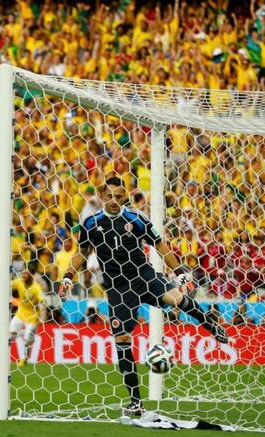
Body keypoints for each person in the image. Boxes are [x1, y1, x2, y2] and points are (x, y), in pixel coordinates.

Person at [60, 177, 228, 416]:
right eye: (110, 196)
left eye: (119, 196)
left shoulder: (136, 219)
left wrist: (179, 272)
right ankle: (136, 402)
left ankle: (209, 324)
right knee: (121, 340)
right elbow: (82, 253)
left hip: (143, 275)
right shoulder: (90, 222)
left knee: (177, 299)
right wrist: (68, 276)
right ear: (102, 196)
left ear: (125, 196)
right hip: (117, 287)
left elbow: (160, 245)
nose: (114, 201)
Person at [10, 270, 45, 368]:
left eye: (26, 274)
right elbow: (8, 284)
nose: (23, 276)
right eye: (23, 274)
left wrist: (42, 301)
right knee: (11, 333)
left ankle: (23, 358)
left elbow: (41, 297)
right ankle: (24, 335)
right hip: (21, 313)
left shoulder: (36, 287)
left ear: (31, 276)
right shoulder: (18, 282)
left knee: (27, 340)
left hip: (33, 316)